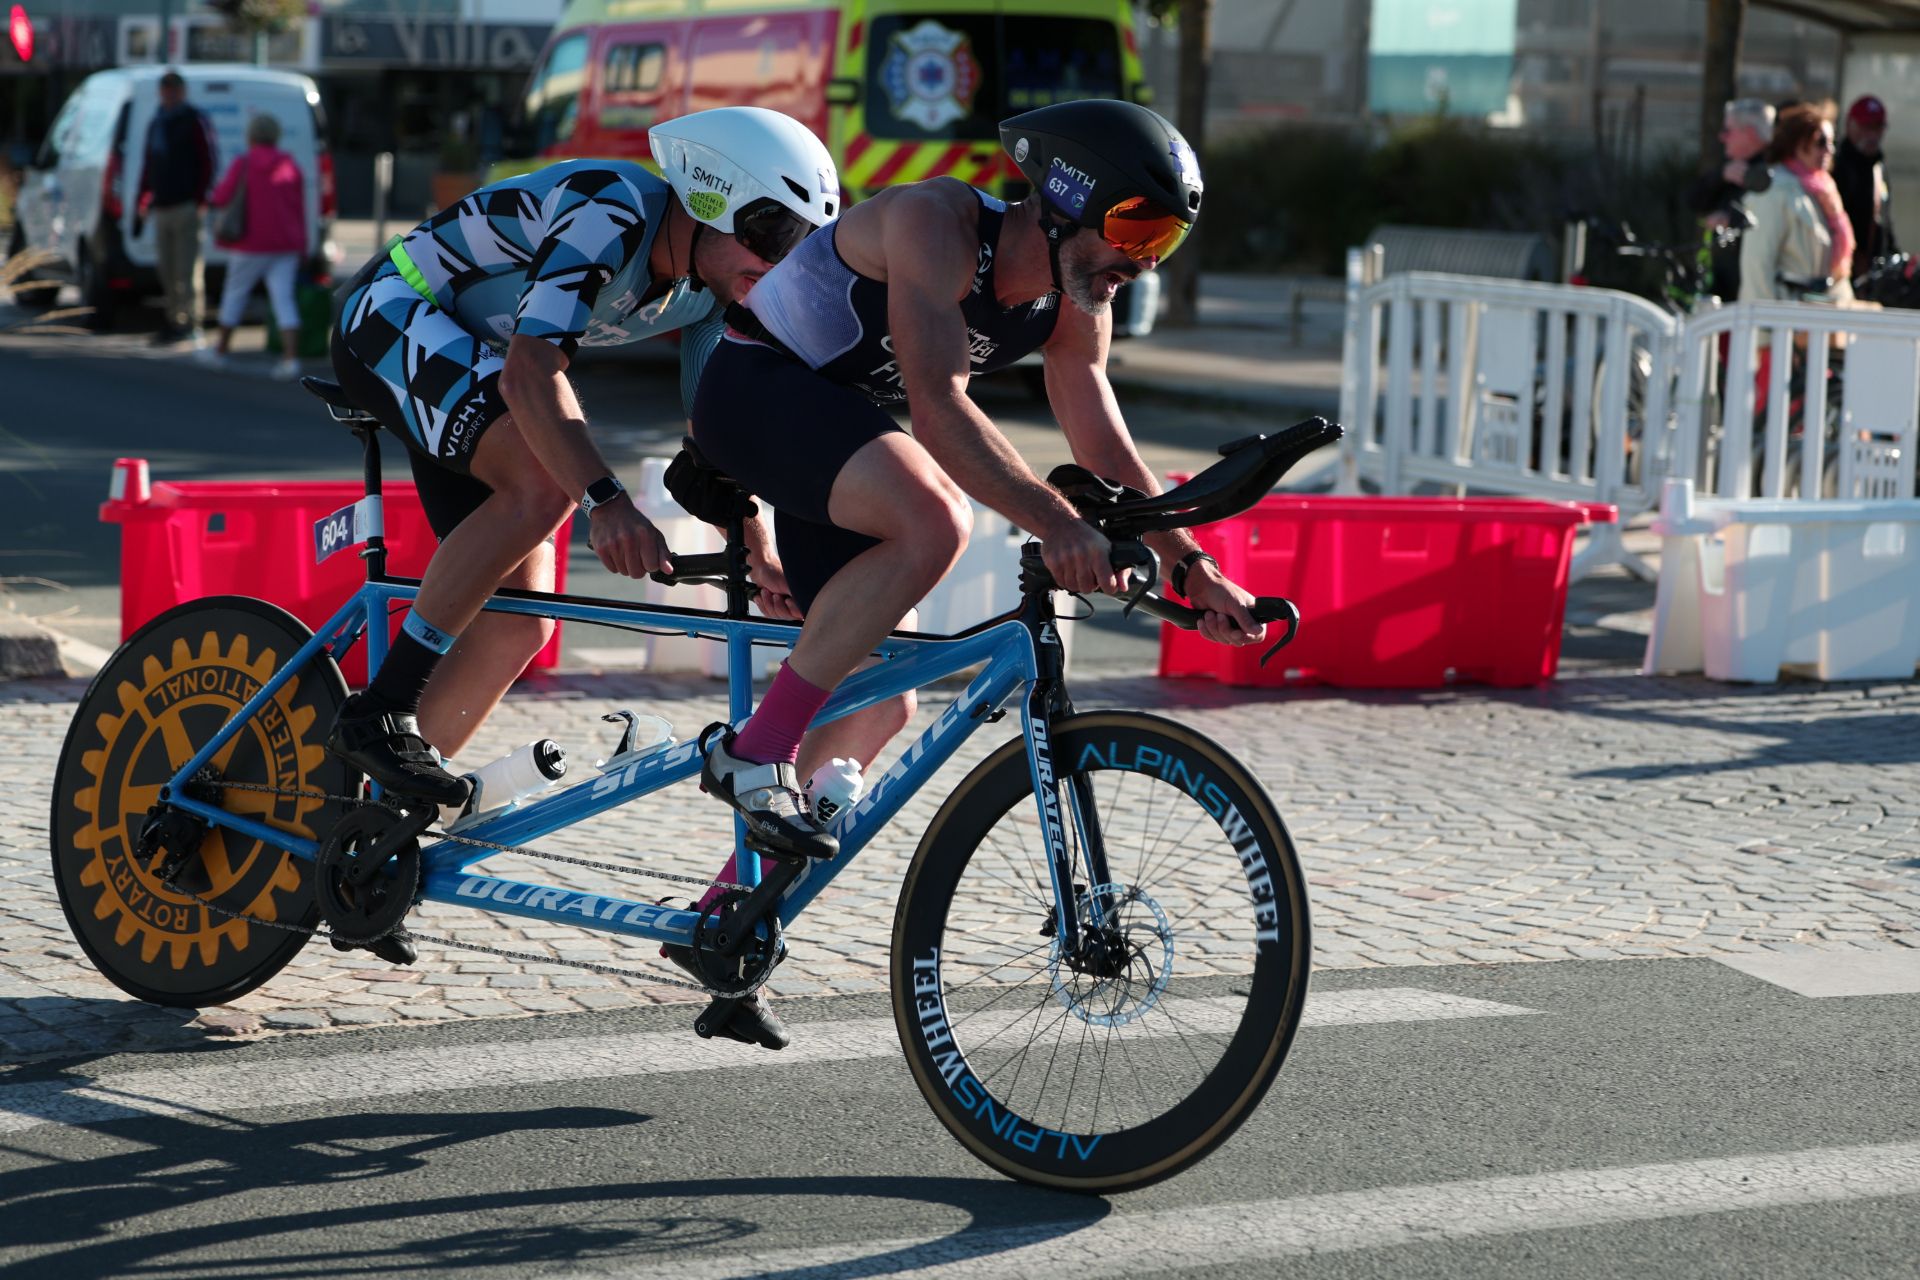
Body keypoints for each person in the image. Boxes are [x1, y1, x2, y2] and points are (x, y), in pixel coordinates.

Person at [679, 100, 1273, 1044]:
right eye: (1135, 229)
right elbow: (938, 405)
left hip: (840, 433)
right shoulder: (937, 224)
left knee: (881, 703)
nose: (1144, 261)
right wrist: (1058, 523)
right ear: (1067, 199)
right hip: (753, 391)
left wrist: (1192, 566)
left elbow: (1098, 432)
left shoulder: (1077, 300)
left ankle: (726, 922)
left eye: (1165, 241)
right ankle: (755, 752)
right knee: (932, 521)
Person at [323, 109, 838, 1017]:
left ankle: (367, 842)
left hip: (474, 359)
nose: (782, 261)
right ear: (708, 203)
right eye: (771, 233)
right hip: (396, 312)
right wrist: (606, 500)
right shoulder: (612, 208)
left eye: (802, 245)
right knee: (545, 486)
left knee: (521, 624)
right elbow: (532, 373)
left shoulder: (711, 290)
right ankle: (380, 711)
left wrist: (755, 543)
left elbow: (715, 429)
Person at [199, 113, 308, 379]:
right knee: (284, 300)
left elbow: (221, 197)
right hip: (284, 244)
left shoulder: (244, 163)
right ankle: (291, 359)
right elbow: (300, 210)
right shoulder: (289, 165)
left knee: (234, 295)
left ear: (251, 136)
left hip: (249, 244)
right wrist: (302, 246)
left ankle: (220, 351)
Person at [1740, 102, 1854, 304]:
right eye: (1821, 142)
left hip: (1817, 311)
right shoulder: (1775, 189)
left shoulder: (1824, 191)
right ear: (1797, 143)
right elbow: (1757, 263)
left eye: (1832, 142)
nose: (1829, 150)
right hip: (1786, 313)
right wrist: (1765, 320)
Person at [136, 71, 216, 345]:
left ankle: (191, 320)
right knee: (167, 269)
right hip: (162, 205)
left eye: (174, 90)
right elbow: (149, 165)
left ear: (182, 92)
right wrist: (143, 199)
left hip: (186, 205)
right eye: (166, 90)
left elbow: (208, 161)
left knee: (187, 268)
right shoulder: (157, 122)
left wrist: (200, 199)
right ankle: (173, 319)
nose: (169, 95)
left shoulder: (193, 120)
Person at [1686, 98, 1773, 300]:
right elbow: (1693, 201)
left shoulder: (1771, 174)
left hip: (1750, 289)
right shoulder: (1731, 166)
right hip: (1722, 283)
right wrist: (1720, 176)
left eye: (1728, 130)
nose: (1722, 137)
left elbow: (1766, 225)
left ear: (1749, 133)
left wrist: (1730, 220)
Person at [1834, 94, 1898, 269]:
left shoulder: (1879, 168)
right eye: (1866, 127)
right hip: (1844, 267)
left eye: (1878, 127)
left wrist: (1893, 255)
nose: (1872, 134)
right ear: (1849, 124)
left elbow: (1884, 221)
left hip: (1874, 268)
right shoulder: (1836, 165)